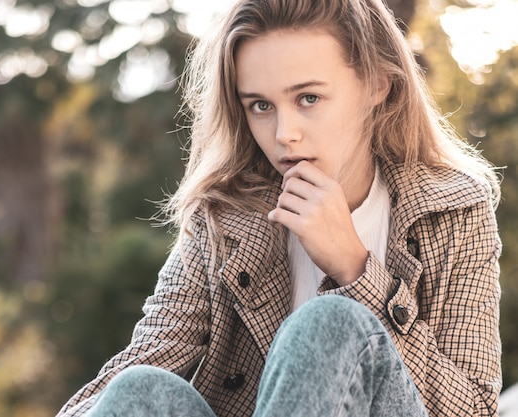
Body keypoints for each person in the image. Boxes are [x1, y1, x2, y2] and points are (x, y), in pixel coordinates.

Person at [57, 0, 502, 416]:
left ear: (376, 86)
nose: (284, 133)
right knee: (143, 390)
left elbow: (476, 407)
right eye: (261, 106)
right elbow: (143, 359)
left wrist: (356, 271)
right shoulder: (225, 218)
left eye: (308, 98)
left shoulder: (454, 210)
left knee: (331, 325)